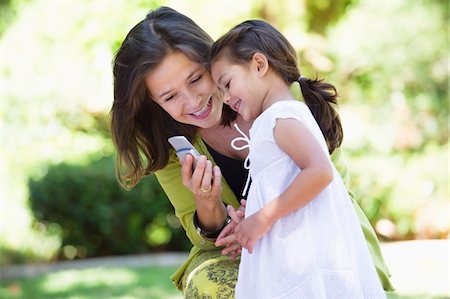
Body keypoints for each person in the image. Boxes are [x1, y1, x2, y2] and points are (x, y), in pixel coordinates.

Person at [110, 6, 393, 298]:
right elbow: (206, 240)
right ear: (154, 102)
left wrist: (265, 216)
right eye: (170, 96)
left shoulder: (282, 100)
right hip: (245, 252)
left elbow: (326, 181)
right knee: (208, 283)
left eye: (196, 79)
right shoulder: (171, 148)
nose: (193, 100)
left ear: (212, 60)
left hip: (320, 234)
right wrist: (208, 203)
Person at [209, 20, 388, 298]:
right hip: (291, 256)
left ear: (258, 64)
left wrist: (263, 218)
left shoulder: (280, 118)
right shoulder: (276, 119)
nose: (226, 98)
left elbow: (319, 172)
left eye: (227, 84)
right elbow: (289, 184)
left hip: (306, 260)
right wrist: (256, 209)